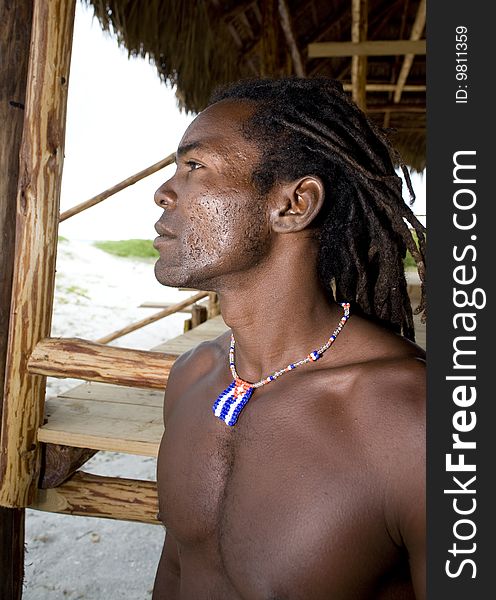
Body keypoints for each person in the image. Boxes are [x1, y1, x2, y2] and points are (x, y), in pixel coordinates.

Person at [152, 78, 426, 600]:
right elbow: (177, 571)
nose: (164, 192)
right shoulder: (191, 377)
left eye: (194, 167)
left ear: (294, 204)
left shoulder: (412, 418)